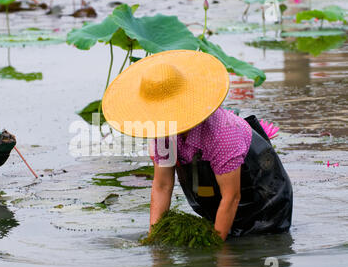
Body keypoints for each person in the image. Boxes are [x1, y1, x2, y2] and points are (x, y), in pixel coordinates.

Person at [102, 50, 293, 241]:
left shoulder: (222, 133)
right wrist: (154, 238)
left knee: (246, 253)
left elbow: (231, 197)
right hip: (217, 206)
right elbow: (162, 185)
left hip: (264, 204)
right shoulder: (162, 132)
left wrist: (215, 247)